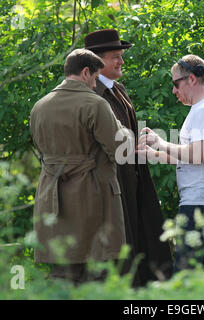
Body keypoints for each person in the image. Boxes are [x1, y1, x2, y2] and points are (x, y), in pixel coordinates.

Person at [30, 48, 133, 285]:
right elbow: (121, 152)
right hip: (91, 196)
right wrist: (124, 129)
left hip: (53, 201)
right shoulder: (95, 104)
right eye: (96, 78)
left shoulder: (39, 106)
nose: (96, 85)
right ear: (86, 72)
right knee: (96, 275)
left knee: (61, 273)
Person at [84, 29, 173, 286]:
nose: (121, 61)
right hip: (112, 181)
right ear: (96, 61)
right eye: (115, 56)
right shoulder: (92, 95)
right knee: (121, 245)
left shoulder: (118, 88)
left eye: (121, 56)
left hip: (133, 177)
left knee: (143, 239)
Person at [138, 54, 204, 272]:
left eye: (175, 84)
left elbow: (197, 155)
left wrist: (161, 142)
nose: (173, 91)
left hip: (201, 200)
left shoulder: (203, 110)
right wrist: (155, 154)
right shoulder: (202, 109)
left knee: (188, 271)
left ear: (192, 79)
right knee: (203, 269)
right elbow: (195, 157)